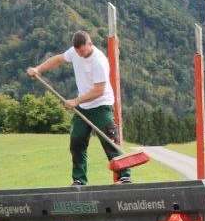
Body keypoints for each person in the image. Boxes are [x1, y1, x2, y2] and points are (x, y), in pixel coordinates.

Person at [27, 31, 130, 185]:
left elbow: (98, 90)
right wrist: (38, 69)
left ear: (90, 44)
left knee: (109, 140)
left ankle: (125, 176)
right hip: (83, 106)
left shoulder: (99, 61)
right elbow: (58, 59)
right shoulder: (74, 52)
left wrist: (76, 101)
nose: (80, 54)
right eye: (77, 51)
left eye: (83, 51)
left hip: (101, 104)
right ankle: (79, 180)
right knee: (77, 141)